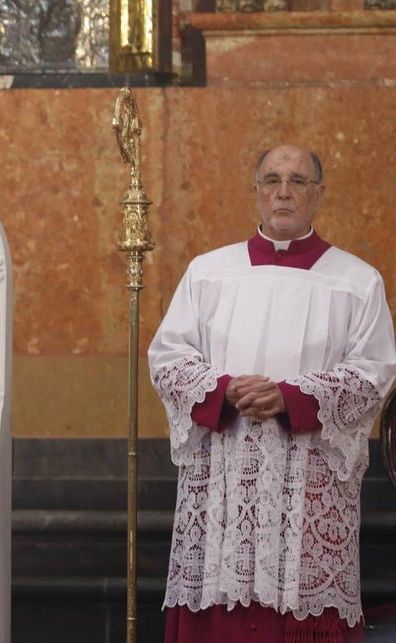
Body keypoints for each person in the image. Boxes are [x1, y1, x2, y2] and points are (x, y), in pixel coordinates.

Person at [149, 144, 396, 643]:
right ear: (257, 191)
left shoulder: (356, 282)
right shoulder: (208, 272)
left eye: (298, 181)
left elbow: (374, 373)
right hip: (224, 486)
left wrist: (292, 398)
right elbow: (168, 357)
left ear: (318, 195)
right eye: (272, 180)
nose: (284, 191)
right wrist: (223, 390)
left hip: (308, 492)